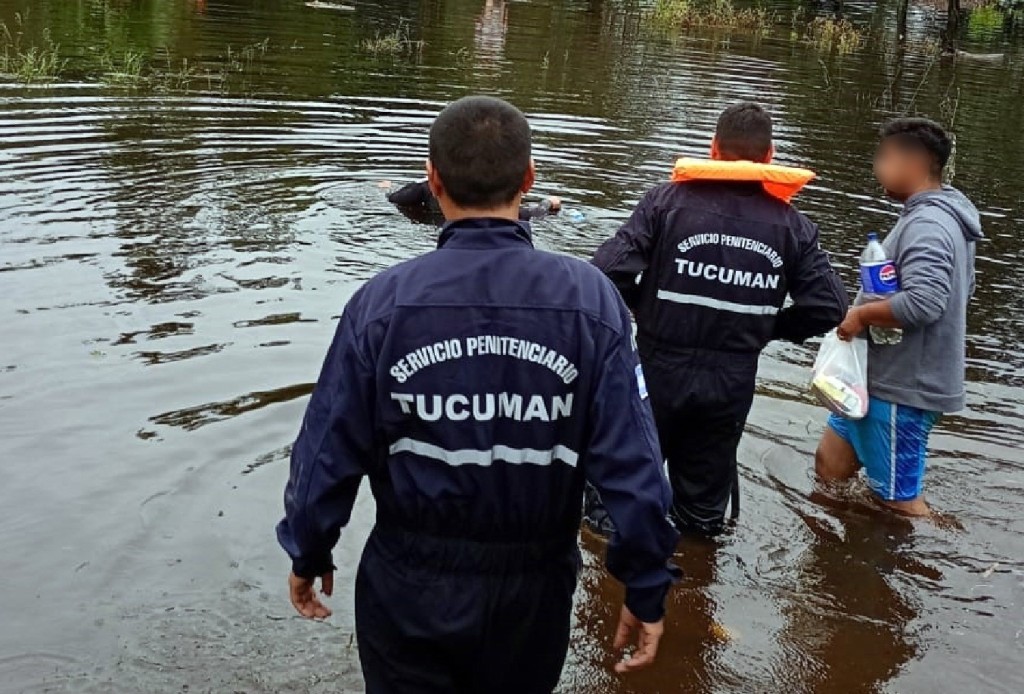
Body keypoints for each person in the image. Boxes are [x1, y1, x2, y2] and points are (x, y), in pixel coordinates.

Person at [277, 96, 679, 693]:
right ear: (529, 180)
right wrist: (646, 585)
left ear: (433, 182)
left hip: (409, 586)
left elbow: (326, 451)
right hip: (534, 593)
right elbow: (635, 464)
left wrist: (309, 549)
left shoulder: (382, 305)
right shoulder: (592, 303)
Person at [589, 102, 849, 536]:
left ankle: (617, 590)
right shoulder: (793, 226)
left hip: (655, 372)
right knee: (702, 521)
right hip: (729, 384)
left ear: (712, 149)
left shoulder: (664, 203)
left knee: (614, 508)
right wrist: (768, 326)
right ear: (769, 158)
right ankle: (697, 588)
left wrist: (642, 302)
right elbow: (829, 306)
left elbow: (603, 271)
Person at [815, 118, 983, 516]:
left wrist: (860, 317)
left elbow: (925, 304)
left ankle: (936, 567)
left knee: (898, 503)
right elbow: (962, 290)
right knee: (831, 465)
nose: (877, 168)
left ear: (915, 163)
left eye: (883, 158)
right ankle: (837, 557)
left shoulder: (929, 225)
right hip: (875, 382)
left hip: (902, 388)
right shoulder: (935, 216)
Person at [384, 177, 561, 224]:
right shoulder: (495, 200)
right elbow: (533, 213)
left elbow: (394, 199)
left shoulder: (423, 188)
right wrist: (548, 202)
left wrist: (388, 189)